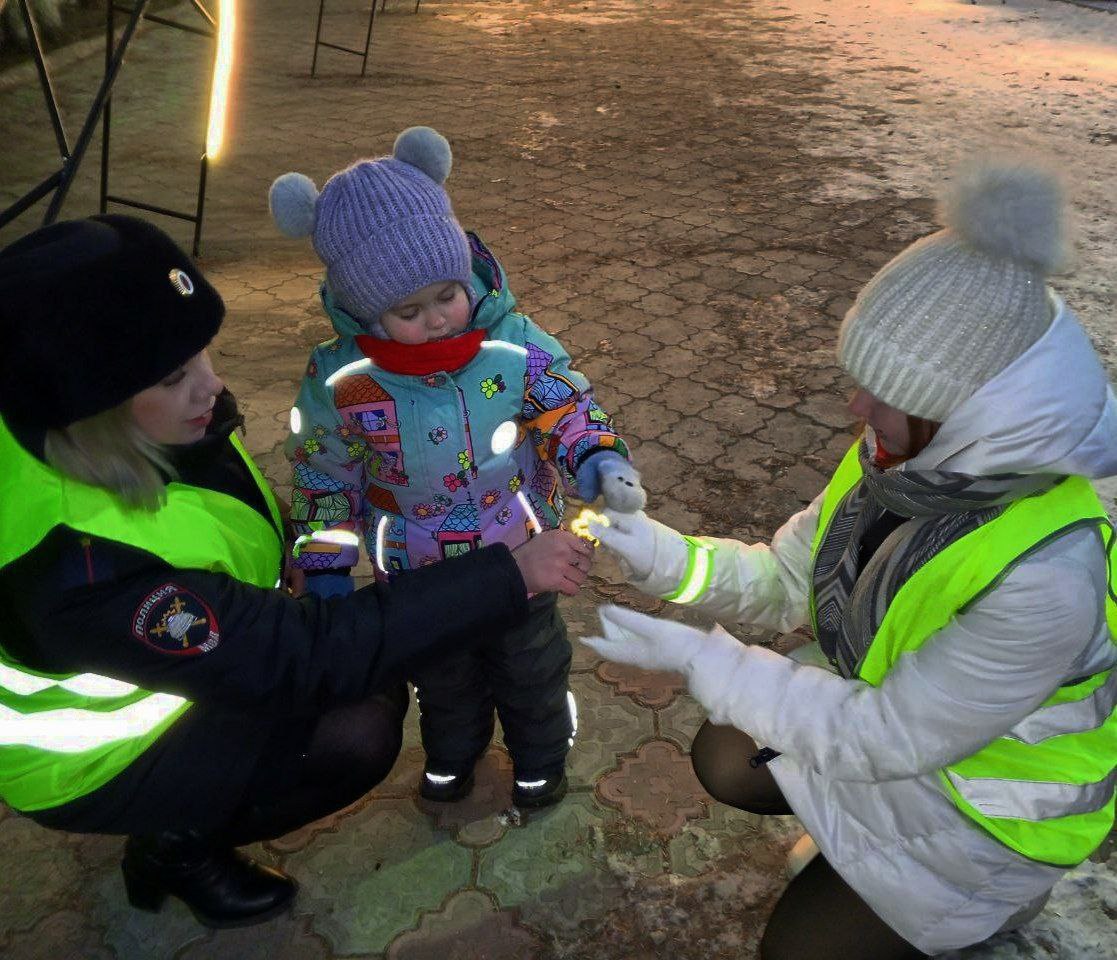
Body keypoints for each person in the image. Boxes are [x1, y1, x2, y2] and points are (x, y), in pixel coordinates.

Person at [582, 155, 1117, 958]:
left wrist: (705, 660)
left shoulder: (1045, 577)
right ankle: (858, 856)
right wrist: (660, 556)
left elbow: (885, 737)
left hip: (989, 812)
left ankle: (1001, 906)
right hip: (907, 730)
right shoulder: (905, 461)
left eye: (883, 392)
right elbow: (789, 578)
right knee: (729, 754)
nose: (853, 406)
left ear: (968, 416)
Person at [0, 214, 593, 929]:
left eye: (202, 356)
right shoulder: (80, 567)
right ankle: (176, 845)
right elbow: (300, 655)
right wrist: (508, 576)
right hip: (88, 756)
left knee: (477, 670)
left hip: (192, 659)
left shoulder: (104, 424)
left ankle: (533, 764)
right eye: (174, 375)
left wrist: (313, 550)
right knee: (356, 723)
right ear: (86, 404)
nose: (213, 389)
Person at [268, 126, 644, 808]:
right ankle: (450, 758)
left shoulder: (511, 344)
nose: (437, 319)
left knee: (531, 670)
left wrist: (596, 456)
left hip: (519, 556)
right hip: (418, 578)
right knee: (441, 679)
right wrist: (322, 564)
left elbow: (564, 405)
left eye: (447, 294)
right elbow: (325, 474)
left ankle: (538, 763)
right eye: (407, 312)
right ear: (363, 311)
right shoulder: (342, 380)